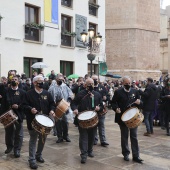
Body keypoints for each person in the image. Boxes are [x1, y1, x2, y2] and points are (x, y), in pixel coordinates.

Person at [23, 75, 56, 169]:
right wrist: (30, 109)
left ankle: (39, 154)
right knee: (33, 139)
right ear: (34, 83)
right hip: (33, 121)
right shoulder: (28, 93)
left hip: (45, 121)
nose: (42, 82)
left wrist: (52, 110)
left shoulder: (47, 93)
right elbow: (24, 105)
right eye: (40, 81)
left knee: (43, 139)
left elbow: (52, 104)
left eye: (43, 81)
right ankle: (32, 160)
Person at [111, 76, 143, 163]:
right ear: (122, 83)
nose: (128, 85)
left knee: (134, 136)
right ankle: (125, 153)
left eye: (129, 83)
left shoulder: (135, 91)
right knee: (124, 136)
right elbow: (113, 102)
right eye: (126, 84)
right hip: (123, 117)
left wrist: (139, 102)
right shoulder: (118, 92)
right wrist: (116, 108)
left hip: (133, 118)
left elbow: (141, 103)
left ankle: (136, 155)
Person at [71, 78, 103, 164]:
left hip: (93, 119)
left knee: (92, 136)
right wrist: (75, 109)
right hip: (82, 119)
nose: (91, 85)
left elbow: (101, 105)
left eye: (92, 83)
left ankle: (90, 150)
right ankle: (83, 154)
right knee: (83, 137)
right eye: (89, 84)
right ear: (85, 85)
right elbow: (73, 103)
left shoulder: (97, 94)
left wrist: (99, 108)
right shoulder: (80, 94)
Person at [5, 76, 25, 157]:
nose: (14, 81)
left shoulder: (22, 92)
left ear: (18, 82)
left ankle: (17, 150)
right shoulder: (7, 91)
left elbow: (24, 102)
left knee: (19, 133)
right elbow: (5, 100)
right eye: (12, 80)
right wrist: (11, 104)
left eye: (15, 79)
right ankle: (9, 147)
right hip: (8, 114)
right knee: (9, 132)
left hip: (19, 114)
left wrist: (19, 106)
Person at [54, 75, 73, 143]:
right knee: (58, 123)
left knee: (65, 122)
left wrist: (69, 101)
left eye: (62, 79)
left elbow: (71, 94)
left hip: (65, 107)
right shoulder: (53, 87)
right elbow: (51, 96)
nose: (60, 81)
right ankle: (59, 137)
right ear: (56, 80)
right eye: (59, 79)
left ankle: (66, 136)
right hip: (57, 107)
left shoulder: (65, 87)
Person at [91, 75, 109, 147]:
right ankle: (95, 139)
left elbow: (108, 97)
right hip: (92, 110)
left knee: (101, 125)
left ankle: (103, 140)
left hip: (101, 109)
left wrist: (106, 98)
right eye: (93, 79)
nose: (95, 80)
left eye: (96, 79)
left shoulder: (102, 87)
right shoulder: (90, 88)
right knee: (93, 125)